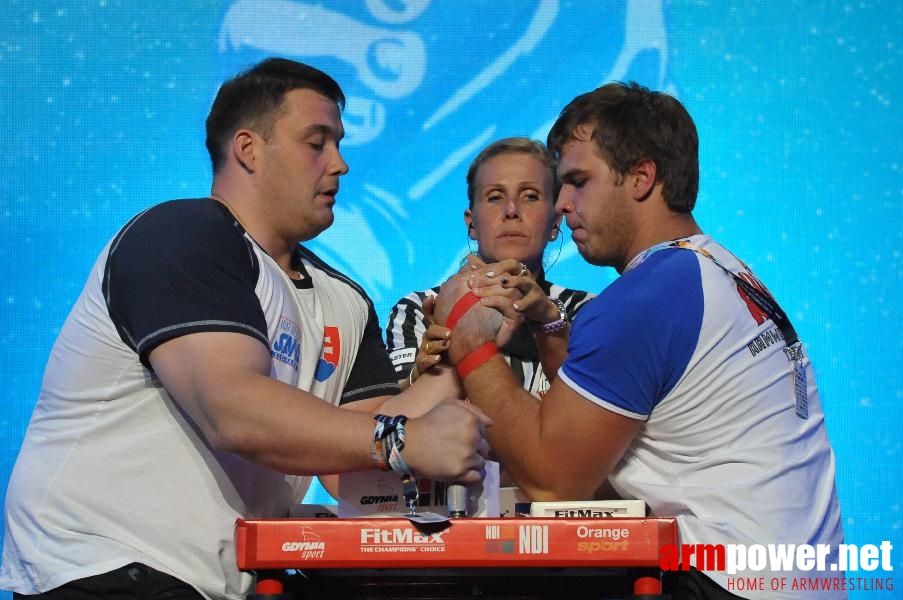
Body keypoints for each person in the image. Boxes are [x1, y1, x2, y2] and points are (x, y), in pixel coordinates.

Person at [0, 57, 490, 600]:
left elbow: (345, 450)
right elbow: (231, 409)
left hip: (220, 581)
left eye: (339, 143)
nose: (341, 164)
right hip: (104, 566)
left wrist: (466, 343)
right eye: (317, 142)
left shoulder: (345, 299)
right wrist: (406, 440)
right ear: (248, 149)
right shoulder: (182, 234)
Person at [432, 82, 845, 599]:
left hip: (726, 584)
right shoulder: (716, 268)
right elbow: (602, 412)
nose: (561, 204)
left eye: (578, 181)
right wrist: (549, 324)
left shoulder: (647, 296)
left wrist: (469, 337)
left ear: (642, 177)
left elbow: (554, 480)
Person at [384, 137, 592, 399]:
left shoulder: (586, 311)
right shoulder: (419, 308)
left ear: (555, 222)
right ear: (471, 224)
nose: (512, 210)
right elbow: (390, 419)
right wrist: (425, 371)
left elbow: (589, 414)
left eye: (530, 196)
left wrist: (548, 324)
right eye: (495, 197)